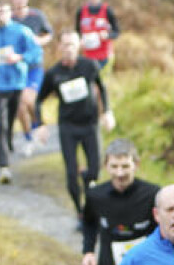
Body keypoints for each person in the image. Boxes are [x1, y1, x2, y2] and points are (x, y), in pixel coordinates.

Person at [34, 31, 114, 226]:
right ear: (60, 47)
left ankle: (89, 200)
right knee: (71, 175)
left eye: (72, 45)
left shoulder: (89, 66)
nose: (69, 49)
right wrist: (41, 125)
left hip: (90, 124)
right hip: (68, 127)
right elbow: (38, 101)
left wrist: (107, 112)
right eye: (65, 45)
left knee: (94, 171)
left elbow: (101, 88)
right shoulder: (53, 73)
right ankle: (80, 212)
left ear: (78, 46)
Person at [0, 0, 41, 185]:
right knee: (0, 123)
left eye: (4, 11)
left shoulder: (21, 31)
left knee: (10, 121)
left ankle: (8, 142)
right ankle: (4, 166)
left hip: (16, 82)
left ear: (10, 12)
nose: (0, 15)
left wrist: (19, 57)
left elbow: (36, 53)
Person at [9, 0, 53, 156]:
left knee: (28, 99)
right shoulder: (9, 18)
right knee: (19, 107)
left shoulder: (36, 16)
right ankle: (29, 138)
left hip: (34, 66)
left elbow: (49, 34)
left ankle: (38, 125)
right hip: (16, 68)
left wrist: (38, 41)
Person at [75, 0, 120, 72]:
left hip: (104, 56)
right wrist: (79, 40)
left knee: (101, 83)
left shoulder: (107, 11)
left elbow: (117, 32)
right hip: (88, 56)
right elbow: (77, 31)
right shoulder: (81, 11)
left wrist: (107, 35)